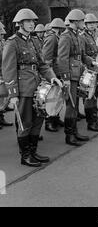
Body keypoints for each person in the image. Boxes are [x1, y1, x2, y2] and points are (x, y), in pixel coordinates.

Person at [2, 9, 62, 167]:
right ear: (20, 24)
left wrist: (53, 77)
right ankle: (25, 155)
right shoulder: (12, 42)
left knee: (38, 119)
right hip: (23, 88)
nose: (31, 24)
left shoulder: (34, 41)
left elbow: (42, 64)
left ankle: (33, 151)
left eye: (32, 21)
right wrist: (13, 94)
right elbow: (8, 70)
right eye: (27, 21)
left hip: (37, 86)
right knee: (25, 121)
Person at [57, 9, 98, 146]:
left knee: (75, 104)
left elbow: (81, 55)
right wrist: (66, 78)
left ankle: (74, 132)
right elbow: (62, 59)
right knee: (71, 105)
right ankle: (69, 136)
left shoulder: (77, 36)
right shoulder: (66, 36)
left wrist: (91, 61)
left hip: (78, 72)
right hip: (70, 75)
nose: (83, 23)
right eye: (81, 21)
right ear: (74, 22)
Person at [80, 13, 98, 132]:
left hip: (96, 68)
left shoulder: (94, 36)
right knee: (89, 96)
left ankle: (94, 120)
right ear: (85, 24)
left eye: (94, 23)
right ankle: (90, 123)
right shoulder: (82, 37)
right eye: (90, 23)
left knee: (95, 95)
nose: (92, 25)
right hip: (88, 69)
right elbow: (82, 55)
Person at [42, 18, 66, 132]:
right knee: (51, 97)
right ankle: (49, 121)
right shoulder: (52, 37)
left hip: (57, 70)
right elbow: (47, 57)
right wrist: (50, 74)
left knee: (57, 96)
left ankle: (55, 118)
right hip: (53, 72)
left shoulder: (56, 36)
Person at [0, 22, 13, 129]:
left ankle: (1, 116)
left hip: (2, 72)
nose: (2, 36)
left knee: (3, 96)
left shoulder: (2, 43)